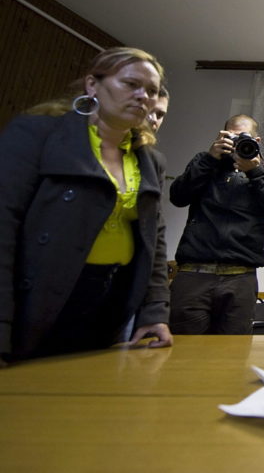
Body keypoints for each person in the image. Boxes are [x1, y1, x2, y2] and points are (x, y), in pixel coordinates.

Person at [0, 47, 173, 363]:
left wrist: (154, 309)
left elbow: (155, 240)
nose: (143, 97)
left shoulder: (149, 160)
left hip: (107, 302)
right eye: (130, 84)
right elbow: (3, 225)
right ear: (93, 85)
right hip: (39, 296)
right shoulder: (38, 134)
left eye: (151, 90)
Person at [168, 114, 264, 334]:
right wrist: (209, 158)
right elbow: (177, 196)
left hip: (240, 277)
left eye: (243, 137)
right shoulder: (205, 162)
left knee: (234, 355)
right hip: (193, 274)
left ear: (257, 141)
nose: (236, 142)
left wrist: (254, 172)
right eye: (231, 136)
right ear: (221, 136)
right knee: (182, 354)